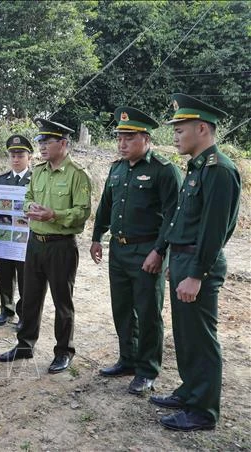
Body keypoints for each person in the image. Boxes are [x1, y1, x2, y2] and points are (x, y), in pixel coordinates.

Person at [152, 94, 241, 432]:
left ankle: (203, 410)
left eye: (180, 129)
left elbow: (215, 230)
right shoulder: (198, 167)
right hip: (183, 258)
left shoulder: (219, 170)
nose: (174, 135)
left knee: (201, 338)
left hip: (196, 264)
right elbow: (180, 220)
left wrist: (197, 274)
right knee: (186, 335)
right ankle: (190, 391)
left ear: (202, 128)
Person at [90, 108, 181, 395]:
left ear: (146, 138)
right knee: (122, 308)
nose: (122, 143)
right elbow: (106, 206)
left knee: (148, 311)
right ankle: (127, 359)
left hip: (147, 250)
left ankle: (147, 369)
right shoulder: (117, 169)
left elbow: (172, 216)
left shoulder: (164, 170)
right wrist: (96, 237)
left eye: (129, 138)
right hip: (118, 248)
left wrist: (159, 251)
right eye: (119, 137)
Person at [0, 119, 91, 375]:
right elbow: (27, 198)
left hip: (61, 246)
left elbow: (82, 212)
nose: (42, 147)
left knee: (62, 302)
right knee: (30, 299)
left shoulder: (77, 175)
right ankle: (25, 345)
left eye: (47, 142)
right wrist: (31, 209)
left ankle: (63, 352)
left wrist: (54, 215)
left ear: (63, 143)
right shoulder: (38, 171)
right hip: (35, 243)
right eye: (40, 142)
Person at [0, 135, 32, 328]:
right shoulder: (2, 179)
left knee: (25, 277)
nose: (16, 159)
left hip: (26, 236)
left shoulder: (36, 179)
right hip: (5, 235)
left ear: (29, 157)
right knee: (4, 274)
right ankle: (6, 310)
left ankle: (24, 314)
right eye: (13, 155)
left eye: (20, 155)